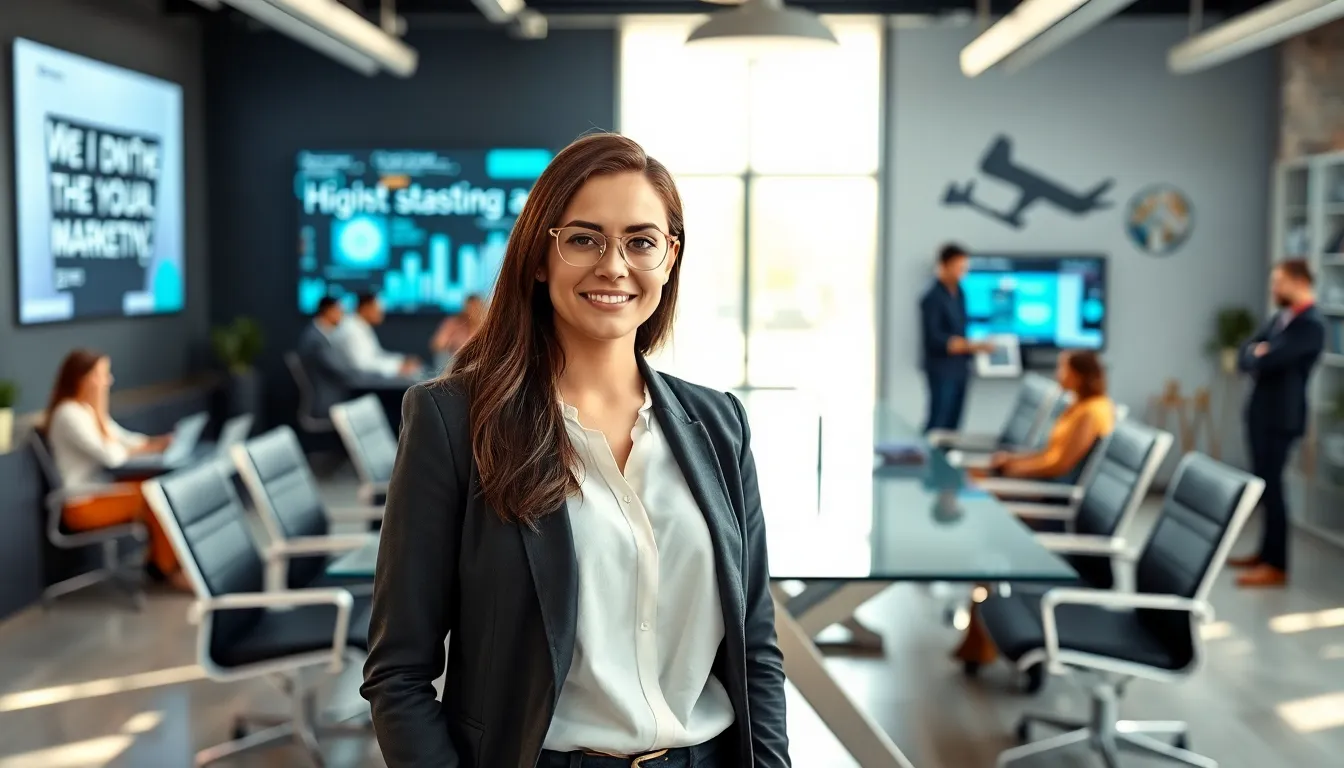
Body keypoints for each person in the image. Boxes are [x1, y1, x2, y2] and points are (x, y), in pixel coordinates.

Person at [361, 133, 789, 768]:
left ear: (669, 259)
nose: (614, 265)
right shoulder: (453, 421)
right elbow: (398, 672)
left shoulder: (719, 424)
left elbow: (755, 646)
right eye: (584, 238)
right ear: (541, 256)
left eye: (641, 241)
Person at [41, 350, 185, 588]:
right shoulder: (69, 414)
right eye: (102, 374)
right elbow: (111, 456)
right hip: (81, 504)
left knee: (156, 486)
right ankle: (167, 570)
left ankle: (162, 563)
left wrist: (154, 443)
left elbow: (124, 439)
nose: (109, 381)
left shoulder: (86, 410)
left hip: (100, 491)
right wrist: (101, 408)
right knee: (152, 494)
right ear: (84, 378)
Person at [1230, 258, 1325, 588]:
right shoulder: (1281, 318)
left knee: (1274, 489)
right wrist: (1257, 353)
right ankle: (1264, 554)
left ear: (1299, 281)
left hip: (1281, 418)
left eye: (1279, 282)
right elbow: (1245, 354)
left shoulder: (1311, 325)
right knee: (1264, 488)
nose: (1274, 288)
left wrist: (1261, 354)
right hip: (1260, 413)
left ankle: (1277, 565)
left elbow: (1272, 359)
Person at [985, 350, 1116, 481]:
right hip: (1041, 476)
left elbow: (1059, 466)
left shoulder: (1091, 413)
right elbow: (1049, 454)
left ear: (1079, 375)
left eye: (1063, 369)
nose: (1057, 374)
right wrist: (1011, 461)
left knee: (977, 481)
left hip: (1049, 486)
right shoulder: (1078, 404)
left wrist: (1015, 469)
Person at [920, 243, 995, 433]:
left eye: (964, 267)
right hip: (942, 369)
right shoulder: (932, 298)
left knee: (954, 425)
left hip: (961, 368)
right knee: (939, 420)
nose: (963, 271)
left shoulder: (960, 292)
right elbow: (936, 338)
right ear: (944, 265)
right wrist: (974, 346)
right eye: (959, 267)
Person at [297, 296, 358, 420]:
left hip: (332, 392)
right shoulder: (315, 339)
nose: (342, 315)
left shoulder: (322, 334)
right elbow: (337, 368)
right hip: (326, 400)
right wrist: (359, 372)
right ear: (328, 310)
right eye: (339, 310)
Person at [334, 292, 422, 378]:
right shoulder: (351, 329)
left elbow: (376, 355)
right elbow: (362, 365)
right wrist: (398, 367)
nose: (381, 313)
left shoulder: (361, 326)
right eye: (378, 309)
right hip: (355, 385)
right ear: (366, 308)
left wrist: (402, 361)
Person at [429, 293, 486, 366]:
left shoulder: (486, 326)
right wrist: (449, 341)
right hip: (455, 362)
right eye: (470, 308)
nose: (472, 312)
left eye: (476, 308)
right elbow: (437, 344)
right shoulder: (453, 323)